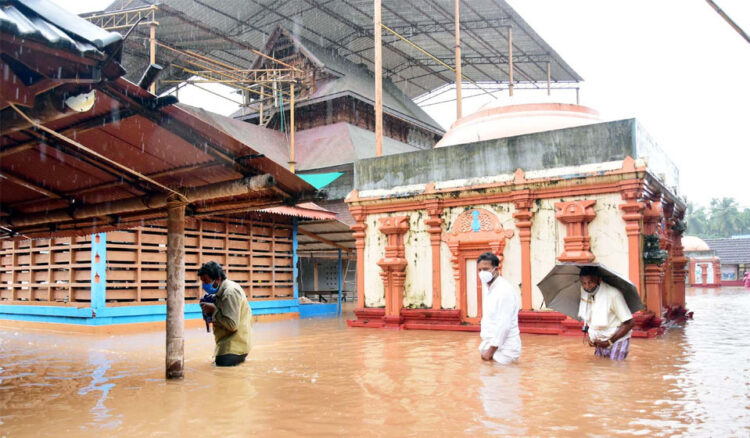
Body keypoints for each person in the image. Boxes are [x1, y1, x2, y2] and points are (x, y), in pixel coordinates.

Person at [197, 261, 252, 367]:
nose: (204, 285)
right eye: (202, 281)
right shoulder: (223, 290)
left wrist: (213, 311)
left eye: (206, 281)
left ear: (217, 279)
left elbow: (232, 325)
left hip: (231, 349)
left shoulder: (229, 293)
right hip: (234, 346)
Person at [578, 266, 635, 361]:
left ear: (599, 279)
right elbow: (592, 319)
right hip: (600, 340)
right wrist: (591, 337)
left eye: (590, 282)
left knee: (615, 369)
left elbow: (630, 323)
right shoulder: (586, 295)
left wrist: (609, 342)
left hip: (617, 339)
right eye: (584, 283)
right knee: (600, 369)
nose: (587, 287)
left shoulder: (613, 294)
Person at [477, 252, 522, 364]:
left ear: (496, 270)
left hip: (505, 350)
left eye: (486, 269)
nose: (482, 273)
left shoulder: (504, 290)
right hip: (490, 345)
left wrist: (490, 351)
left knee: (500, 379)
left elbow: (504, 324)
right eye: (480, 270)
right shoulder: (488, 288)